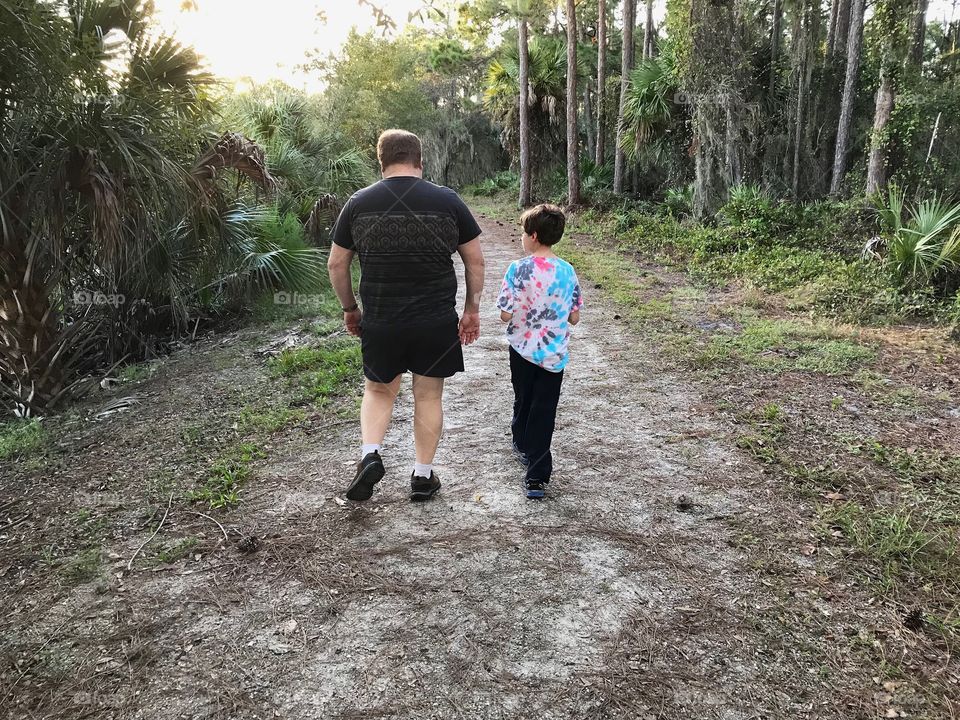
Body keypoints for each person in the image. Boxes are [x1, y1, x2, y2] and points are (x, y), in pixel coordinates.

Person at [327, 129, 485, 502]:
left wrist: (351, 309)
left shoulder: (359, 203)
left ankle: (369, 455)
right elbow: (475, 260)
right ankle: (422, 476)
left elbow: (337, 263)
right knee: (428, 397)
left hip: (381, 321)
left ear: (380, 162)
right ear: (420, 161)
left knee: (379, 391)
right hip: (435, 322)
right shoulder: (448, 201)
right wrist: (471, 310)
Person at [496, 204, 582, 499]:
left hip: (521, 350)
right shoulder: (568, 271)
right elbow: (574, 317)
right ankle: (537, 475)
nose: (521, 237)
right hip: (554, 355)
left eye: (522, 232)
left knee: (523, 398)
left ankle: (520, 441)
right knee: (544, 409)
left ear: (533, 236)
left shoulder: (517, 270)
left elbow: (505, 315)